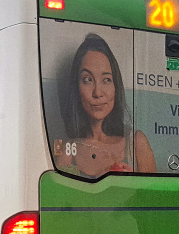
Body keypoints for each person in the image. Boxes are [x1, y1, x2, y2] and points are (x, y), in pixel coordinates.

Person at [56, 33, 156, 177]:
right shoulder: (68, 152)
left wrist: (133, 185)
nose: (97, 92)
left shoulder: (135, 143)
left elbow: (150, 197)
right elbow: (65, 198)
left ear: (116, 86)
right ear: (76, 87)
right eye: (88, 79)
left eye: (106, 80)